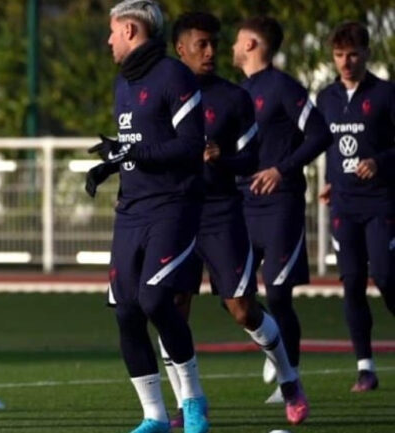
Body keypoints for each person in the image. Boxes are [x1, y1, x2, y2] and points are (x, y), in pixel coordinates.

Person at [163, 11, 307, 426]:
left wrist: (222, 158)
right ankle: (186, 402)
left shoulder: (233, 98)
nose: (211, 52)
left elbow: (251, 159)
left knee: (242, 310)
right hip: (175, 212)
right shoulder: (161, 92)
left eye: (214, 43)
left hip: (221, 212)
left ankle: (290, 380)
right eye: (201, 44)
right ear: (181, 48)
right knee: (171, 308)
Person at [87, 1, 209, 432]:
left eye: (113, 31)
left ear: (133, 31)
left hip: (172, 206)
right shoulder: (123, 82)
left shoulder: (175, 76)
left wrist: (131, 152)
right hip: (131, 210)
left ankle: (192, 401)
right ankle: (154, 415)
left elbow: (191, 146)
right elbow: (134, 147)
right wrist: (110, 165)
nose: (108, 40)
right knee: (125, 311)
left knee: (156, 299)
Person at [232, 16, 332, 402]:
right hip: (242, 204)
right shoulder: (240, 91)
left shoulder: (283, 87)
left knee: (277, 293)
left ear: (253, 44)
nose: (232, 47)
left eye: (239, 40)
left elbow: (320, 133)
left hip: (280, 205)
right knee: (234, 292)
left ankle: (289, 372)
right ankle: (271, 338)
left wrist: (282, 169)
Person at [316, 21, 395, 392]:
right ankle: (365, 367)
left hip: (380, 202)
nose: (345, 62)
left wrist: (380, 161)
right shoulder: (326, 97)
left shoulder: (385, 94)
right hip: (344, 205)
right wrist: (331, 180)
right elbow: (327, 145)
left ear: (366, 53)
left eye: (352, 54)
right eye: (338, 55)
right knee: (351, 283)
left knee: (384, 274)